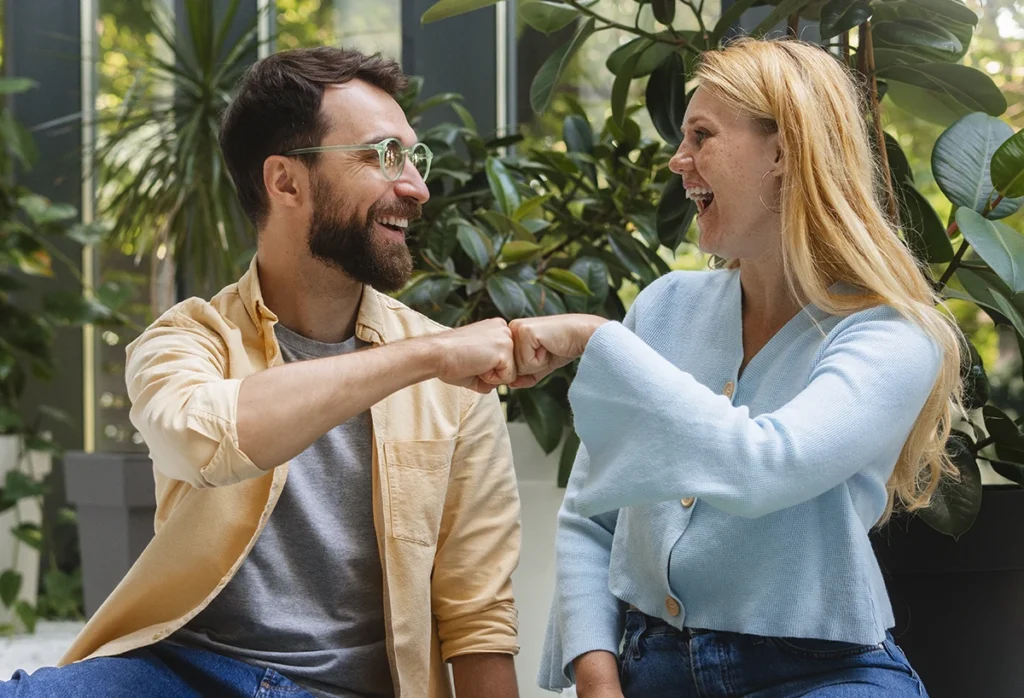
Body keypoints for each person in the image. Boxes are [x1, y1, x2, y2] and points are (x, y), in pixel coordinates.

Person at [1, 47, 522, 698]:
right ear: (286, 182)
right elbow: (204, 437)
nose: (415, 185)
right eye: (382, 154)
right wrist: (426, 357)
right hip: (182, 674)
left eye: (413, 157)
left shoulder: (456, 379)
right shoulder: (185, 340)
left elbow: (478, 620)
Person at [513, 38, 960, 697]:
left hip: (819, 675)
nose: (678, 160)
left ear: (783, 152)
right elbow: (590, 514)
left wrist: (594, 340)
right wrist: (596, 676)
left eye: (701, 135)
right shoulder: (663, 308)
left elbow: (766, 465)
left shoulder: (893, 335)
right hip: (647, 670)